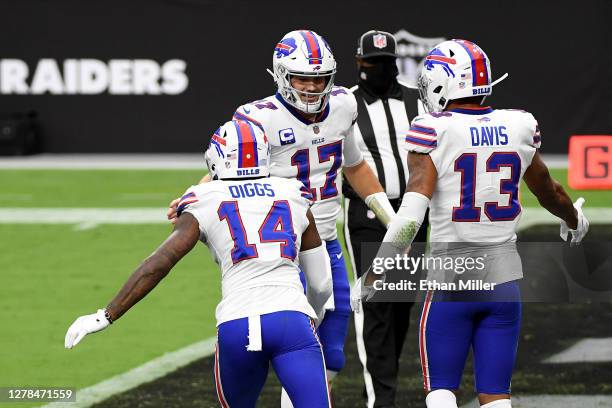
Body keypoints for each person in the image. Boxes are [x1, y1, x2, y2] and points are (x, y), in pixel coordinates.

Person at [353, 39, 589, 408]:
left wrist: (375, 273)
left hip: (452, 280)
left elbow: (412, 215)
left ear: (442, 83)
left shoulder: (434, 129)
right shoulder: (519, 125)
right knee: (496, 398)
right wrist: (575, 220)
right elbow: (551, 191)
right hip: (504, 282)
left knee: (442, 392)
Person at [168, 30, 396, 406]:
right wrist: (194, 195)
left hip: (326, 241)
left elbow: (354, 165)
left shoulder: (343, 105)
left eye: (320, 77)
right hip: (280, 249)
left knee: (332, 355)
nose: (312, 86)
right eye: (303, 77)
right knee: (297, 344)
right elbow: (225, 168)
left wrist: (393, 219)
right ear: (280, 75)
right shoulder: (257, 117)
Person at [65, 120, 335, 408]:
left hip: (237, 324)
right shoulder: (292, 193)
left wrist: (105, 315)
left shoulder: (203, 198)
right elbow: (321, 284)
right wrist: (311, 318)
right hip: (291, 321)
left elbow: (159, 263)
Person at [343, 30, 427, 408]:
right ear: (360, 62)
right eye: (373, 62)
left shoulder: (416, 100)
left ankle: (380, 382)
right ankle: (382, 399)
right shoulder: (345, 105)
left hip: (412, 211)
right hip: (366, 214)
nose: (380, 68)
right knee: (375, 304)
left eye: (387, 62)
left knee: (400, 303)